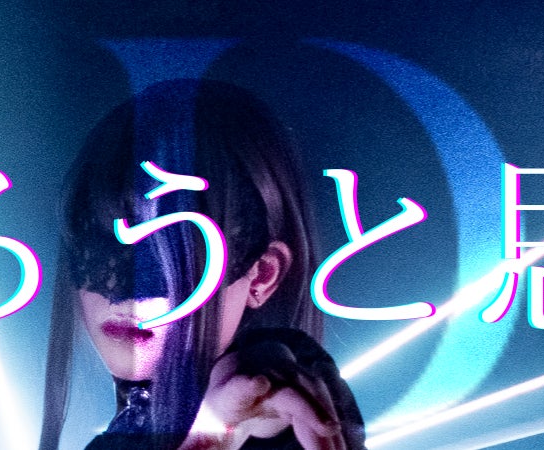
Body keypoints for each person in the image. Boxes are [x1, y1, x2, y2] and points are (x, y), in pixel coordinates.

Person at [49, 80, 368, 450]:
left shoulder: (279, 421)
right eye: (98, 244)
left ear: (262, 275)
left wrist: (218, 429)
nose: (124, 295)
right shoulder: (131, 428)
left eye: (171, 253)